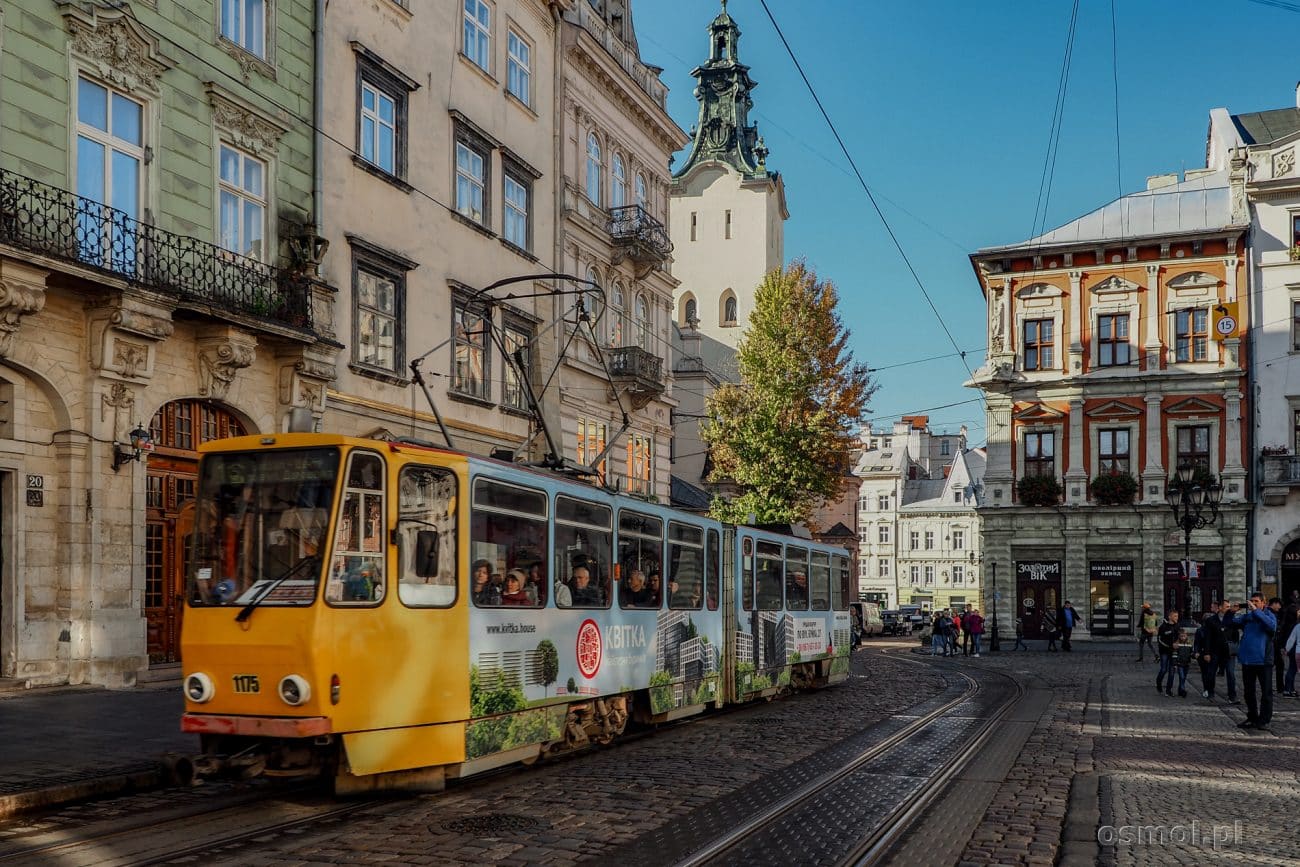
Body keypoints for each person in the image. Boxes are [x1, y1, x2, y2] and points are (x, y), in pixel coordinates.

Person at [1234, 592, 1279, 731]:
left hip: (1264, 661)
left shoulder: (1269, 615)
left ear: (1263, 603)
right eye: (1251, 601)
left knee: (1266, 692)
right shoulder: (1248, 617)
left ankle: (1264, 720)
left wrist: (1256, 611)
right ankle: (1252, 717)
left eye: (1256, 601)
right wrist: (1230, 612)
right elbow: (1230, 623)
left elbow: (1271, 626)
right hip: (1248, 660)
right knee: (1248, 692)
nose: (1253, 603)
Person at [1220, 601, 1241, 704]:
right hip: (1218, 649)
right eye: (1226, 607)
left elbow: (1234, 625)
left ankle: (1232, 695)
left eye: (1230, 607)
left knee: (1230, 672)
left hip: (1229, 650)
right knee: (1210, 672)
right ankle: (1209, 691)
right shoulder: (1219, 619)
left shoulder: (1234, 620)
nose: (1228, 608)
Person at [1156, 610, 1180, 696]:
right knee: (1163, 670)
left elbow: (1179, 637)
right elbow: (1159, 640)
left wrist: (1177, 643)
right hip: (1164, 651)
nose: (1176, 618)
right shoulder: (1163, 627)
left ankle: (1168, 690)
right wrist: (1170, 645)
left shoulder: (1177, 626)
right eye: (1175, 616)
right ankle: (1158, 683)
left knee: (1172, 671)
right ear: (1169, 617)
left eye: (1177, 616)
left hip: (1173, 652)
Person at [1193, 616, 1217, 701]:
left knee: (1211, 673)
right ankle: (1206, 688)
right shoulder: (1200, 631)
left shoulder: (1215, 630)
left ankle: (1210, 690)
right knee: (1205, 672)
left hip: (1213, 653)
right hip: (1202, 653)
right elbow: (1196, 643)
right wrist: (1196, 652)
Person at [1270, 597, 1286, 693]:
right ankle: (1279, 687)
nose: (1280, 607)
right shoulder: (1271, 613)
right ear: (1274, 604)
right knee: (1277, 664)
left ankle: (1280, 687)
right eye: (1279, 604)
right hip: (1273, 643)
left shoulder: (1275, 613)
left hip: (1275, 643)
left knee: (1278, 664)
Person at [1172, 628, 1193, 698]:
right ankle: (1183, 690)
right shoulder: (1177, 644)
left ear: (1186, 636)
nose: (1183, 637)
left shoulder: (1189, 644)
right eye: (1181, 636)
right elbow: (1174, 654)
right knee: (1182, 676)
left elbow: (1191, 653)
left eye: (1184, 636)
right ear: (1179, 636)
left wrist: (1194, 655)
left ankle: (1180, 690)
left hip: (1187, 663)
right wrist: (1175, 664)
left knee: (1184, 678)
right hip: (1179, 663)